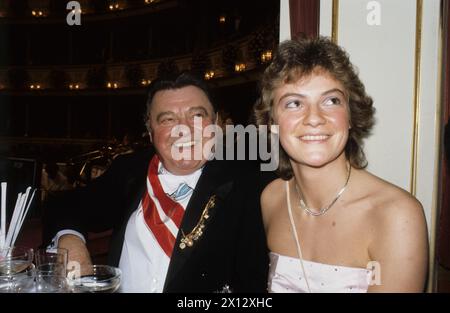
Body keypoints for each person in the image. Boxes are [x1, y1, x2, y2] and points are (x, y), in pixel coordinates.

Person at [43, 72, 270, 292]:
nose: (185, 129)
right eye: (168, 119)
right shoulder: (130, 170)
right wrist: (70, 242)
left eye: (197, 116)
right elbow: (65, 204)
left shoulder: (250, 183)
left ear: (216, 123)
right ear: (150, 131)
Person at [254, 36, 428, 292]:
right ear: (272, 124)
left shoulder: (395, 216)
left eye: (331, 101)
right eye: (294, 103)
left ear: (350, 116)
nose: (314, 118)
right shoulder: (272, 198)